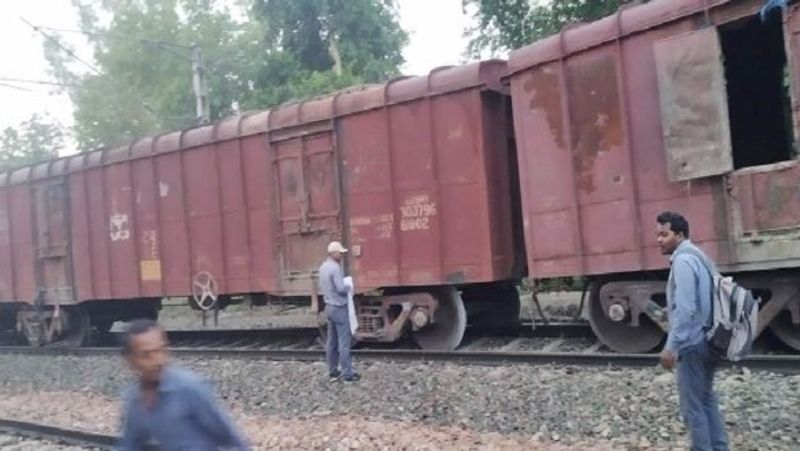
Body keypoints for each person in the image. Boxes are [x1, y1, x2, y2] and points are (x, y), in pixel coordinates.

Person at [116, 319, 249, 450]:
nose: (158, 360)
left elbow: (232, 439)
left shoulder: (190, 389)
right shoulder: (135, 400)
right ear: (130, 360)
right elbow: (131, 444)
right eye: (146, 355)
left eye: (162, 350)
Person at [656, 211, 728, 451]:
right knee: (706, 399)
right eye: (658, 234)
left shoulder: (683, 261)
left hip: (694, 343)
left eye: (664, 234)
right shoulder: (699, 256)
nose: (659, 240)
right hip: (710, 338)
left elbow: (686, 310)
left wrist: (671, 347)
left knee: (692, 408)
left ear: (679, 234)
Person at [318, 241, 360, 382]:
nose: (342, 255)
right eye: (340, 253)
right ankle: (347, 374)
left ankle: (333, 372)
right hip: (339, 308)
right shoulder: (335, 268)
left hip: (328, 307)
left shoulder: (323, 267)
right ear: (333, 253)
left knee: (331, 342)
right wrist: (349, 286)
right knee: (344, 343)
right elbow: (340, 288)